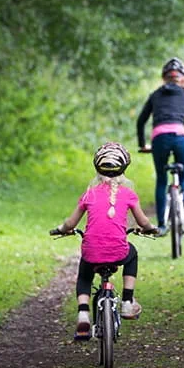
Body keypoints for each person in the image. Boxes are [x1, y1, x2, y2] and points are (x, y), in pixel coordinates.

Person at [53, 142, 158, 341]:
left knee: (85, 273)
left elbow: (70, 222)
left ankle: (83, 313)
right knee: (132, 253)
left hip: (92, 252)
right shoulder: (128, 195)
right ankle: (127, 301)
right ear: (123, 170)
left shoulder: (89, 194)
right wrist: (150, 228)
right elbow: (142, 221)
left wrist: (61, 229)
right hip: (119, 252)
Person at [137, 57, 184, 233]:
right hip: (180, 136)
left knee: (162, 179)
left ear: (164, 78)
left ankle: (161, 225)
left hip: (159, 138)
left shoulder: (155, 95)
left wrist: (143, 144)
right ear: (183, 78)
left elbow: (141, 122)